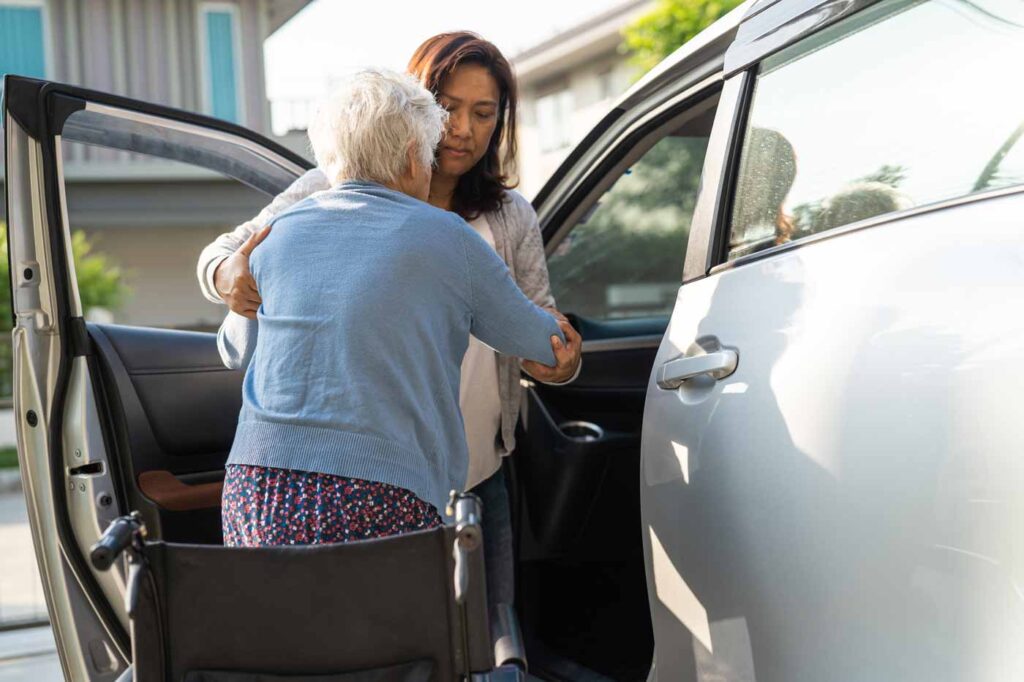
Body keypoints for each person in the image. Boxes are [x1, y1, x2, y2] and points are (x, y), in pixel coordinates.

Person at [196, 33, 582, 613]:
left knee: (293, 645)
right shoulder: (442, 233)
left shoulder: (289, 232)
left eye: (484, 114)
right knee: (433, 643)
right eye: (447, 110)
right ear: (413, 138)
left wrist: (253, 295)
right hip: (399, 483)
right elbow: (541, 337)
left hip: (265, 487)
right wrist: (229, 276)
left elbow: (236, 347)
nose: (461, 130)